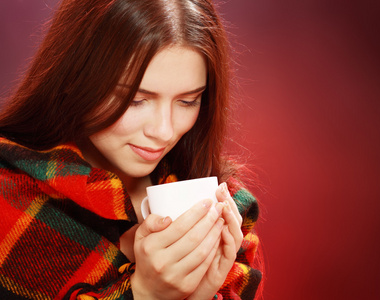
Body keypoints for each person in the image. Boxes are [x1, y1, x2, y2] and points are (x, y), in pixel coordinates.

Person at [0, 0, 263, 299]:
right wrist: (145, 293)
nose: (164, 130)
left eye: (188, 101)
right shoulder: (9, 195)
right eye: (136, 100)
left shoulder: (226, 207)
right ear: (75, 78)